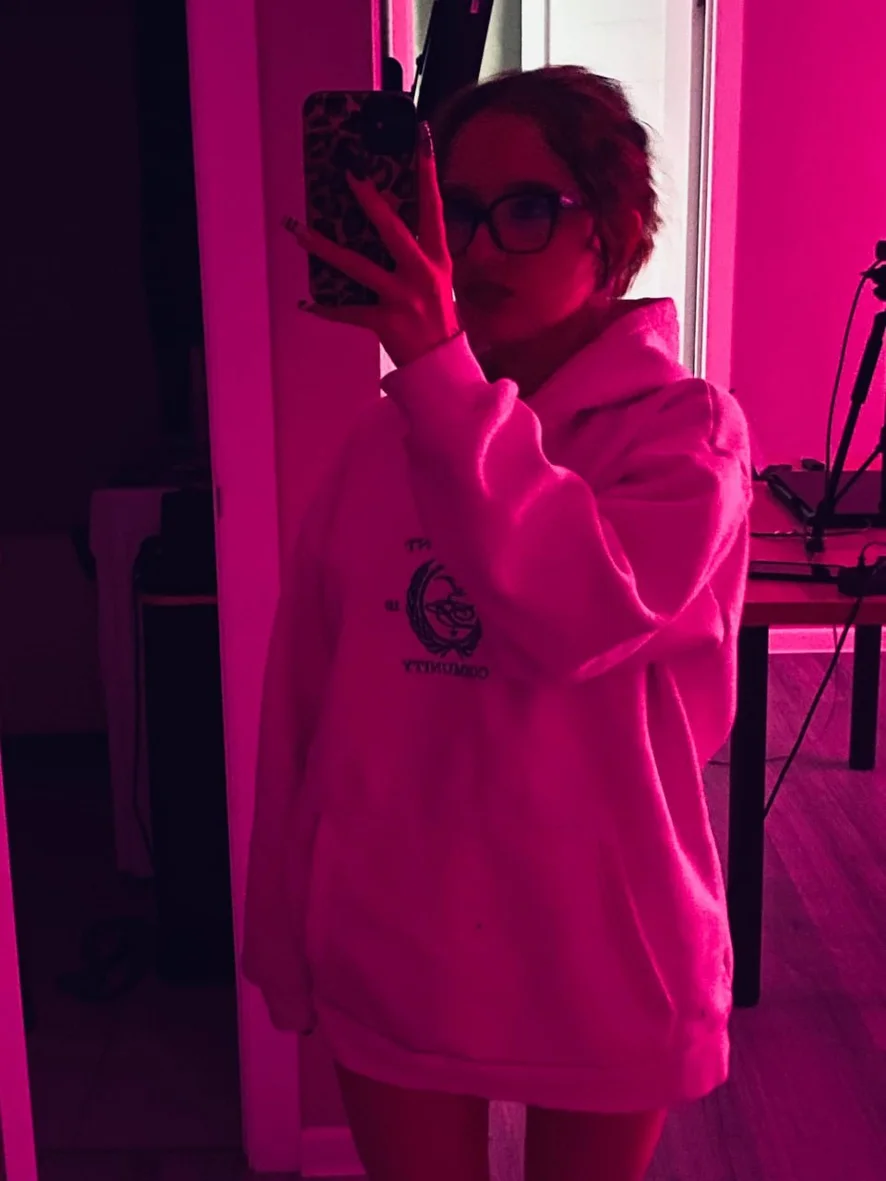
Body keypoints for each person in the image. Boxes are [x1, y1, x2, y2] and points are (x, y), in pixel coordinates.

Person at [242, 66, 752, 1181]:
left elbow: (577, 615)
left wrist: (438, 373)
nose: (475, 250)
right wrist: (280, 922)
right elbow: (309, 702)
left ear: (611, 236)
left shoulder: (689, 435)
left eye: (526, 210)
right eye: (455, 211)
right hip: (397, 938)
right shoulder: (383, 443)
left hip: (603, 945)